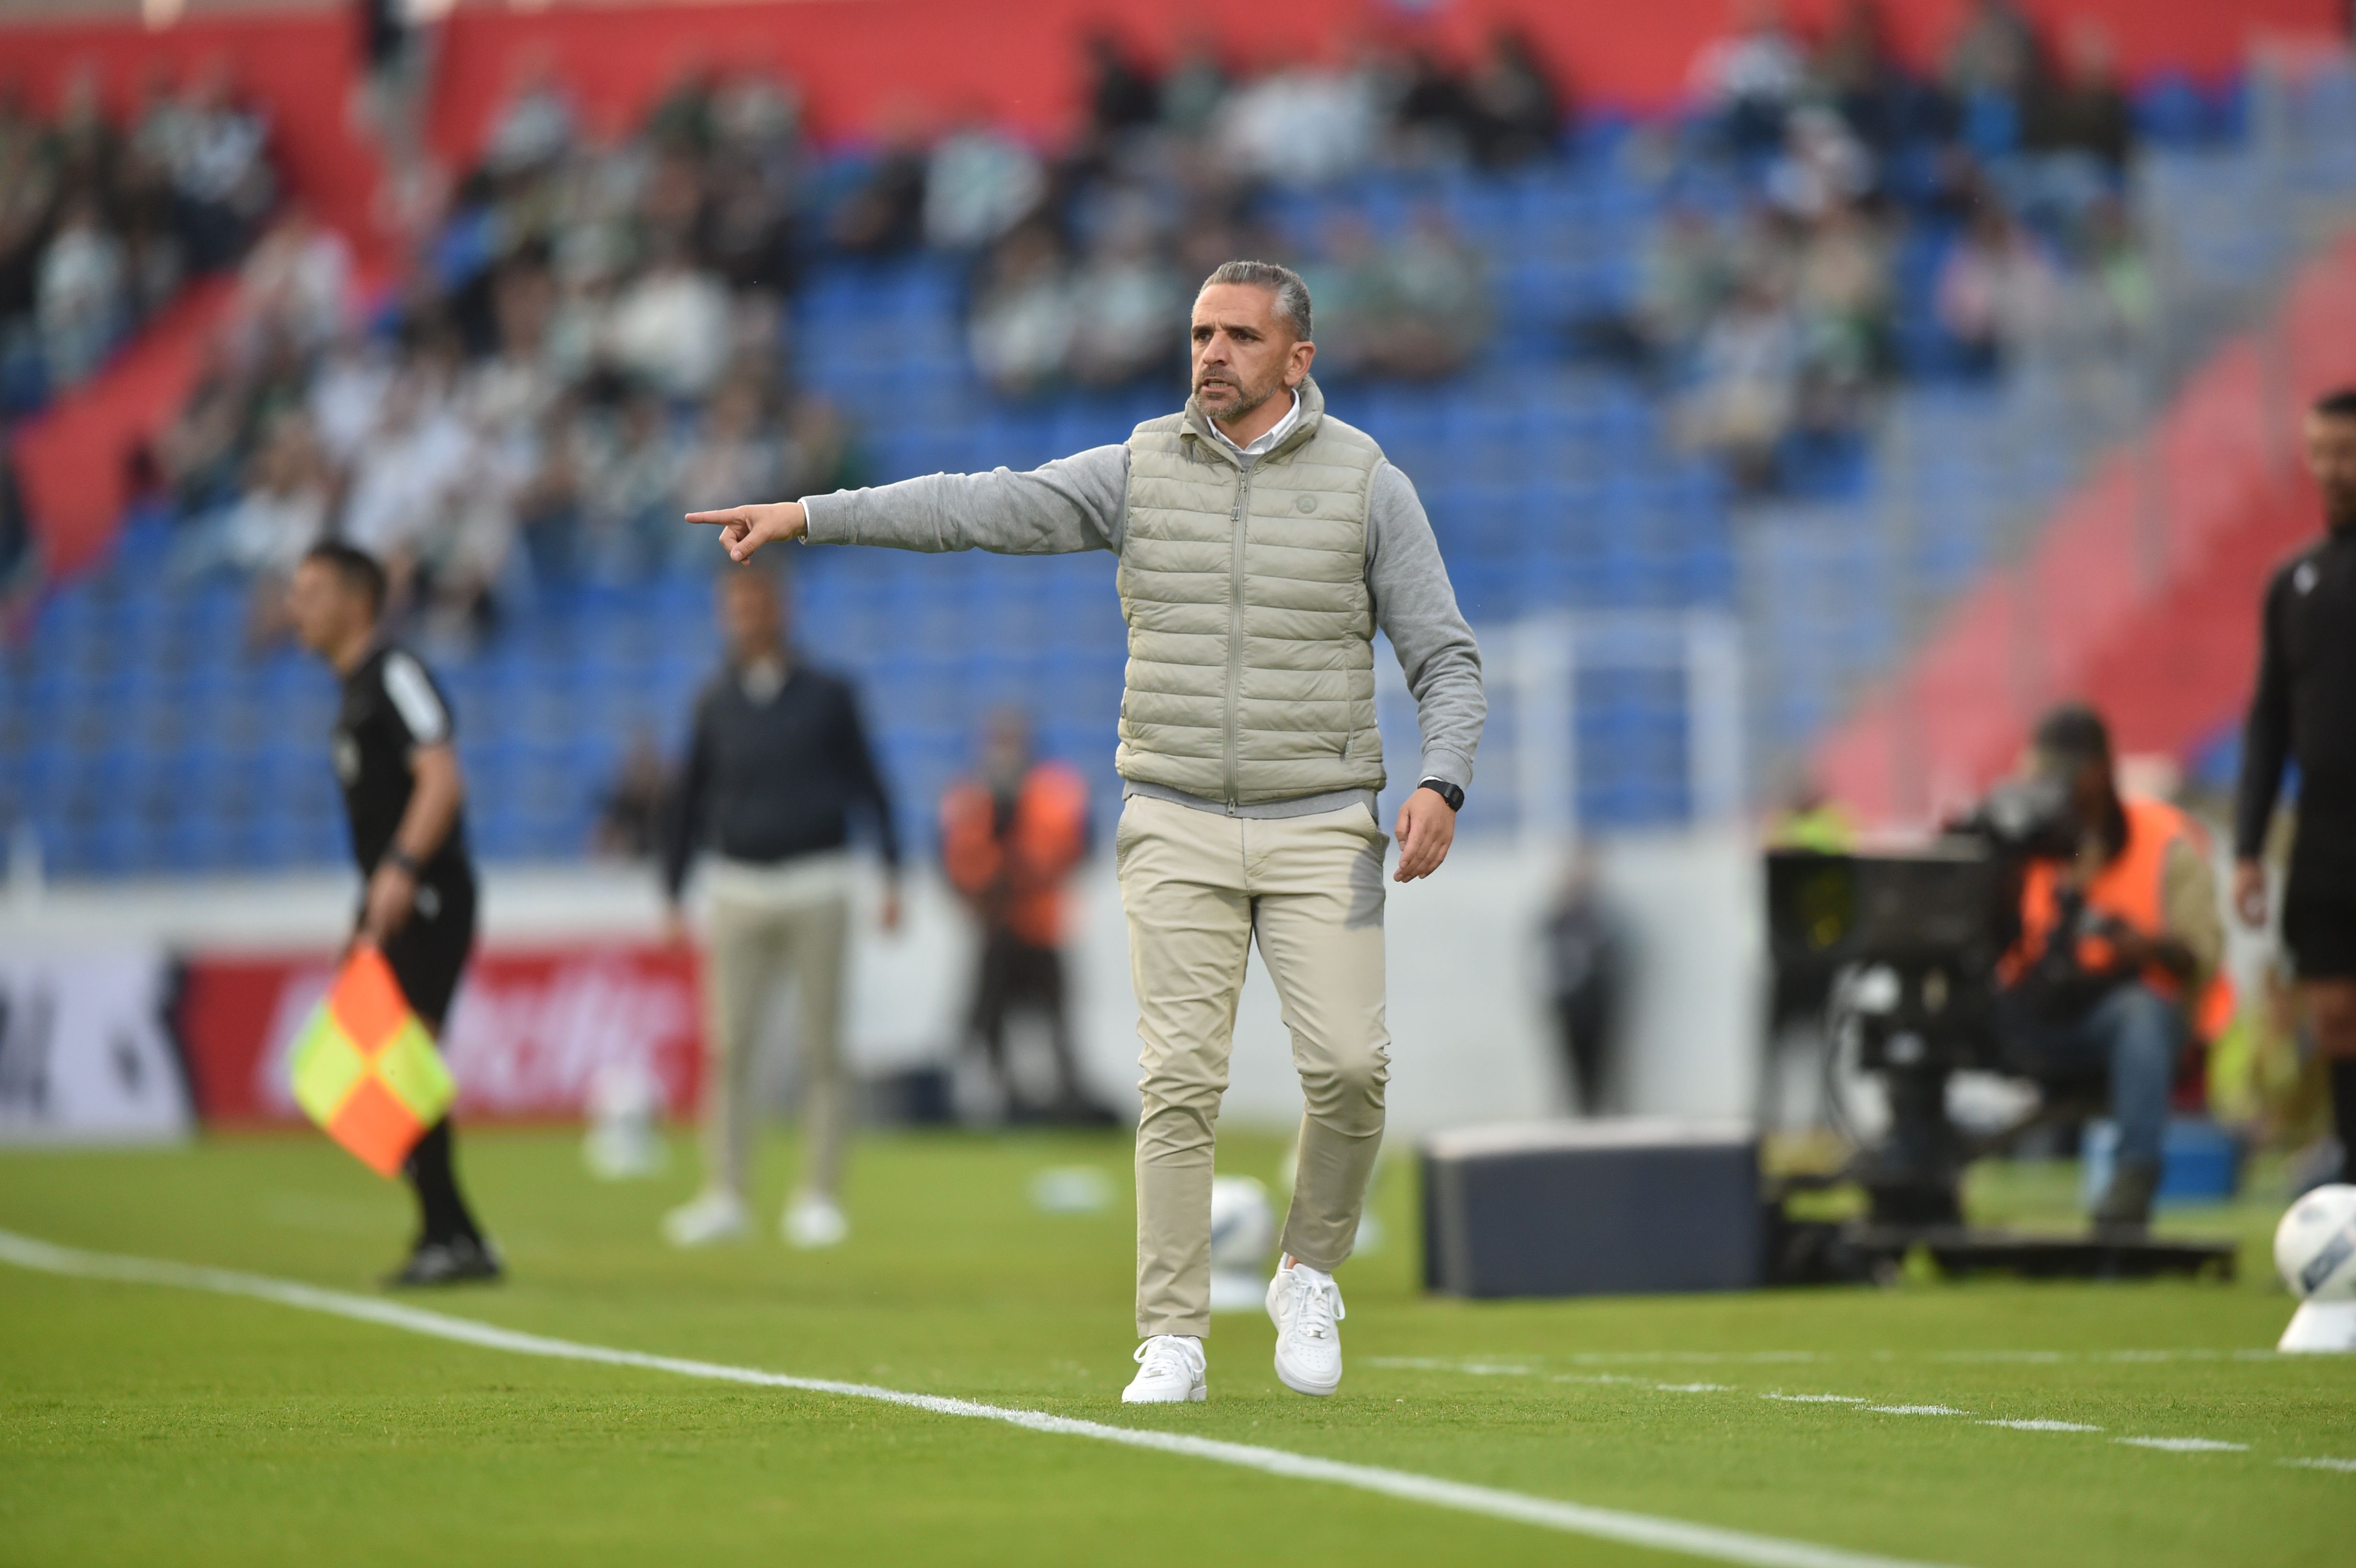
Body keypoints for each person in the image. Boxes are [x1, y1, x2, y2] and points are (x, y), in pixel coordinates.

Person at [687, 259, 1485, 1405]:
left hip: (1322, 821)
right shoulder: (1137, 470)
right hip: (1173, 816)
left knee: (1354, 1069)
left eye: (1240, 337)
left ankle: (1308, 1267)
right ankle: (1174, 1334)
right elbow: (974, 505)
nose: (1211, 353)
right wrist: (810, 514)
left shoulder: (1370, 484)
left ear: (1298, 359)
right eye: (1201, 332)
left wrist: (1442, 782)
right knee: (1178, 1082)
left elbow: (1445, 658)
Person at [657, 567, 902, 1251]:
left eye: (758, 601)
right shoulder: (714, 700)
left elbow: (871, 784)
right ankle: (725, 1194)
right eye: (735, 603)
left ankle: (818, 1195)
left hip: (818, 882)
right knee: (730, 1048)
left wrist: (892, 874)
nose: (747, 614)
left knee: (822, 1048)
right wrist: (672, 890)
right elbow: (689, 799)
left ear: (781, 608)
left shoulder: (829, 694)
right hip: (736, 886)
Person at [284, 542, 500, 1285]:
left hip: (430, 893)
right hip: (395, 895)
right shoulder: (353, 693)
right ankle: (456, 1234)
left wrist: (404, 869)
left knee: (400, 1063)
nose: (296, 607)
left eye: (311, 592)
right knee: (391, 1065)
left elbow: (442, 778)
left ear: (357, 601)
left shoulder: (395, 674)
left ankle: (452, 1238)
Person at [1997, 705, 2227, 1235]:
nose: (2047, 787)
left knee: (2137, 1014)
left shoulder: (2164, 839)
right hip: (2035, 1010)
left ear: (2098, 770)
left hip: (2120, 1019)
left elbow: (2200, 952)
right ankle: (1916, 1174)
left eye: (2059, 772)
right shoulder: (2020, 839)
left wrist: (2142, 948)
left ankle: (2131, 1181)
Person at [2234, 388, 2356, 1187]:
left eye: (2344, 452)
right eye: (2317, 452)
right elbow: (2267, 721)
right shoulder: (2294, 582)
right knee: (2334, 1018)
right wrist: (2246, 850)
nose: (2330, 470)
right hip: (2322, 834)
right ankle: (2350, 1172)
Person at [940, 710, 1103, 1122]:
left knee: (1055, 1022)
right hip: (996, 931)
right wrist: (986, 884)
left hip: (1040, 928)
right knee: (988, 1023)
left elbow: (1075, 846)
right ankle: (1001, 1097)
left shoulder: (1053, 790)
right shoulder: (972, 796)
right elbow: (953, 861)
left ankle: (1067, 1098)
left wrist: (1019, 870)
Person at [1540, 851, 1630, 1117]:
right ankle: (1580, 1111)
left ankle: (1597, 1110)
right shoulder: (1556, 921)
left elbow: (1613, 961)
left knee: (1601, 1061)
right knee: (1572, 1061)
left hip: (1597, 1002)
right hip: (1570, 1004)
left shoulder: (1601, 919)